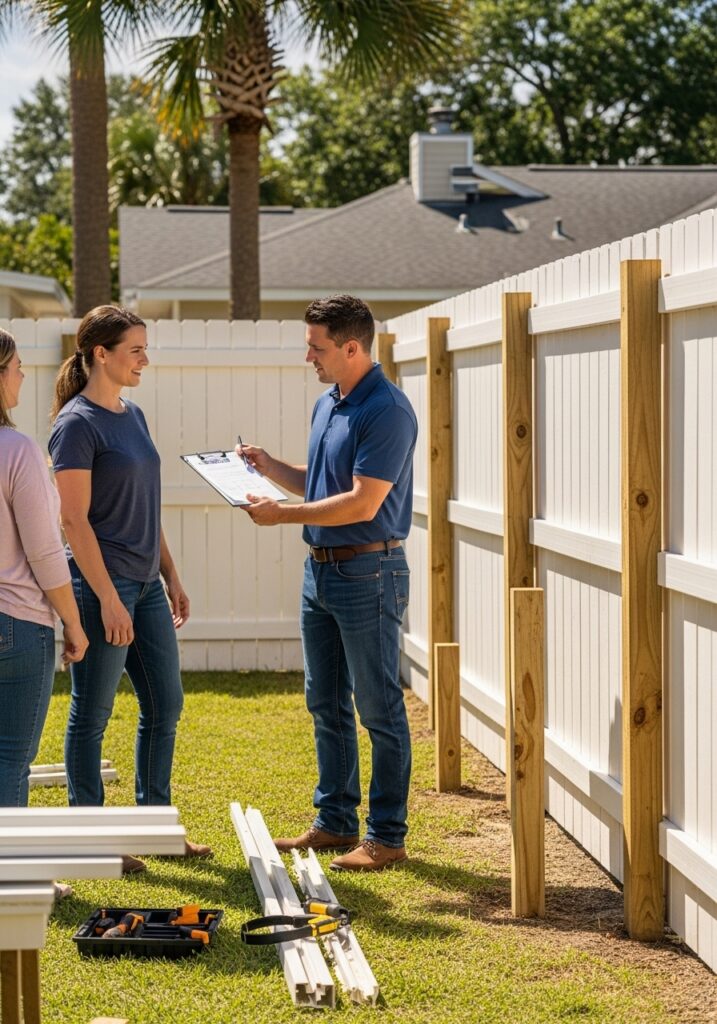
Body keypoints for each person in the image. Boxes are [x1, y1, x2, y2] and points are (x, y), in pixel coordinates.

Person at [239, 294, 417, 871]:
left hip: (370, 570)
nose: (308, 356)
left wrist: (280, 516)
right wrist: (271, 467)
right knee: (325, 700)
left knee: (378, 706)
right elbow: (320, 488)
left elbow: (364, 502)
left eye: (316, 347)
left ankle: (386, 836)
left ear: (351, 347)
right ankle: (336, 822)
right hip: (322, 571)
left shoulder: (387, 409)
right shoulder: (329, 403)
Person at [48, 306, 210, 871]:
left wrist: (170, 572)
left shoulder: (132, 415)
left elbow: (147, 504)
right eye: (135, 349)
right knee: (90, 715)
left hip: (143, 584)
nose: (145, 359)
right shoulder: (76, 424)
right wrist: (109, 597)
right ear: (101, 353)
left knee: (165, 703)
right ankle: (88, 838)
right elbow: (74, 521)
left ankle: (152, 826)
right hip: (101, 588)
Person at [0, 331, 89, 809]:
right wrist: (73, 624)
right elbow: (45, 553)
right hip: (16, 624)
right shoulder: (17, 451)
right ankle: (9, 877)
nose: (23, 374)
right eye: (15, 366)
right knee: (10, 760)